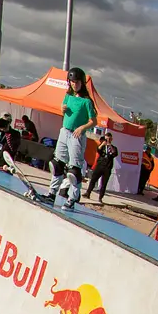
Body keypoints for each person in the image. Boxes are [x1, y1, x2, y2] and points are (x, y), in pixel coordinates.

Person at [51, 66, 95, 210]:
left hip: (77, 135)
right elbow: (64, 111)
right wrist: (62, 109)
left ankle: (72, 198)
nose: (74, 84)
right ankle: (52, 193)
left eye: (76, 82)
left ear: (82, 82)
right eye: (71, 81)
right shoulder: (68, 96)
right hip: (64, 131)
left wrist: (82, 128)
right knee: (57, 164)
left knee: (74, 171)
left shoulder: (87, 101)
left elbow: (93, 121)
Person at [88, 130, 118, 204]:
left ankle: (100, 197)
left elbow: (115, 153)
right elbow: (98, 150)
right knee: (93, 179)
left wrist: (109, 144)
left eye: (109, 139)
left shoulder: (113, 147)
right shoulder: (102, 146)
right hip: (100, 165)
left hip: (107, 167)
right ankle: (88, 192)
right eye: (106, 139)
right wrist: (103, 144)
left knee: (104, 183)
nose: (107, 140)